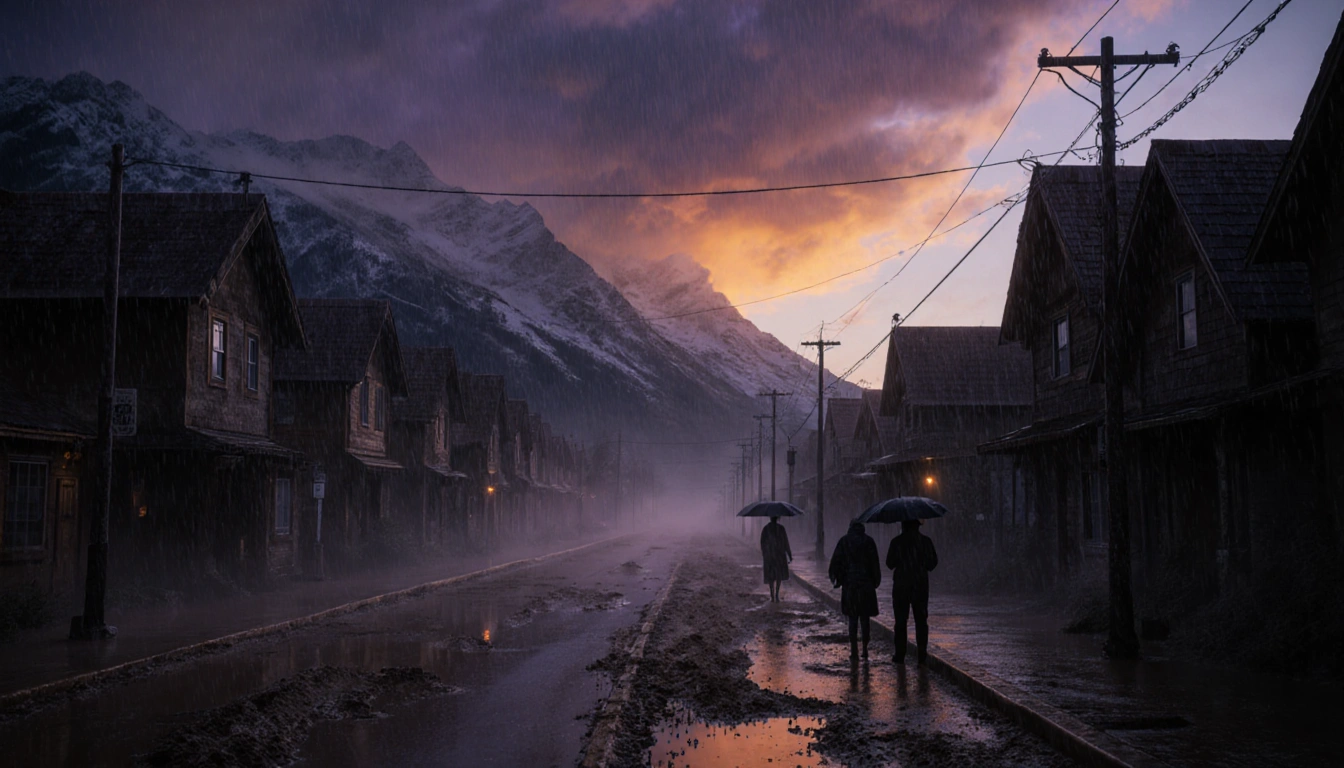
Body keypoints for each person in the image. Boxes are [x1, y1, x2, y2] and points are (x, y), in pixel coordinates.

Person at [886, 519, 938, 665]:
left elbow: (889, 563)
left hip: (901, 586)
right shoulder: (925, 542)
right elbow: (933, 563)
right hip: (920, 585)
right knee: (921, 621)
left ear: (903, 525)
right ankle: (922, 655)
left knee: (900, 621)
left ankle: (900, 655)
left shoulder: (897, 542)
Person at [828, 520, 881, 659]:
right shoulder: (869, 541)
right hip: (866, 586)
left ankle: (854, 650)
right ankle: (865, 648)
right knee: (865, 619)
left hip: (850, 586)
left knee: (852, 619)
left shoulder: (844, 541)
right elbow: (875, 563)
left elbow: (836, 562)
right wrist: (875, 581)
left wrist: (837, 579)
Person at [759, 516, 793, 602]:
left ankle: (772, 594)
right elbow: (786, 542)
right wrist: (789, 554)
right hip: (779, 556)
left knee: (771, 576)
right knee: (778, 575)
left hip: (770, 556)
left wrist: (765, 553)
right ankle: (776, 594)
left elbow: (762, 543)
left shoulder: (766, 529)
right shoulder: (781, 529)